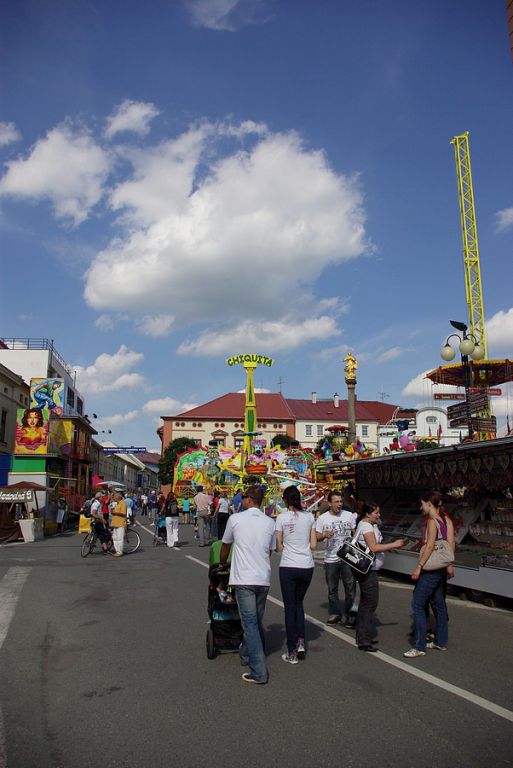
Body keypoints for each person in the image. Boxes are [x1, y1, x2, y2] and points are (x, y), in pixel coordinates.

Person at [220, 486, 276, 684]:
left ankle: (259, 672)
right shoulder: (270, 522)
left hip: (243, 579)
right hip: (263, 578)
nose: (241, 499)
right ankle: (245, 654)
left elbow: (225, 544)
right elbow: (270, 550)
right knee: (255, 622)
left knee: (250, 624)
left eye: (243, 497)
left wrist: (222, 562)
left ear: (249, 499)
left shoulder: (235, 519)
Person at [404, 490, 455, 659]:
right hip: (441, 568)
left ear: (429, 504)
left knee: (417, 604)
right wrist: (449, 564)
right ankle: (441, 641)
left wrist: (419, 566)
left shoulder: (432, 521)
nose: (421, 507)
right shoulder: (444, 520)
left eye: (422, 504)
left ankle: (419, 646)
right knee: (439, 604)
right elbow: (450, 542)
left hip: (431, 569)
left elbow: (430, 545)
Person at [353, 502, 406, 652]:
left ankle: (363, 635)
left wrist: (387, 548)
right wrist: (394, 545)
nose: (379, 515)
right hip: (367, 570)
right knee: (370, 602)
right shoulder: (366, 527)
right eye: (376, 512)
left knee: (366, 602)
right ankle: (364, 639)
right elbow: (374, 547)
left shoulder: (370, 525)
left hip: (369, 569)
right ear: (368, 514)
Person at [275, 485, 317, 664]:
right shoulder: (309, 517)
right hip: (306, 565)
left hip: (288, 566)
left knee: (290, 606)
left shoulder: (281, 518)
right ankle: (301, 642)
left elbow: (278, 546)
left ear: (285, 500)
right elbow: (313, 545)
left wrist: (284, 544)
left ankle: (291, 650)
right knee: (299, 603)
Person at [315, 490, 356, 626]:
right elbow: (316, 536)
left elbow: (355, 532)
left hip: (348, 557)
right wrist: (324, 535)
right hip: (331, 558)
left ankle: (351, 614)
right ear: (329, 503)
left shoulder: (349, 515)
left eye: (341, 501)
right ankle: (335, 613)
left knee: (350, 588)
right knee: (332, 589)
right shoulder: (322, 518)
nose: (339, 504)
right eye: (336, 502)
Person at [110, 491, 127, 557]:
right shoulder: (117, 503)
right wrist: (112, 511)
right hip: (115, 523)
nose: (114, 498)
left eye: (115, 496)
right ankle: (117, 550)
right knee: (115, 538)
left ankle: (120, 551)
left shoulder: (123, 503)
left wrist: (115, 513)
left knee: (119, 538)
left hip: (120, 523)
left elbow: (123, 513)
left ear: (119, 497)